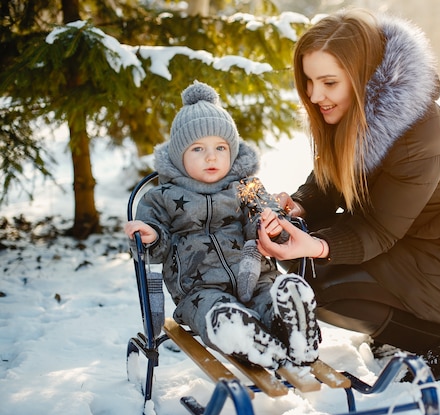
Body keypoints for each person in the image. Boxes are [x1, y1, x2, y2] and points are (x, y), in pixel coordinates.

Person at [257, 8, 440, 380]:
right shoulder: (349, 112)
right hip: (410, 237)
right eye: (308, 82)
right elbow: (329, 182)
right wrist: (301, 206)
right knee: (302, 256)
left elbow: (378, 231)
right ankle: (396, 326)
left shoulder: (421, 134)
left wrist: (315, 246)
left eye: (328, 82)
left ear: (361, 77)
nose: (314, 95)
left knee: (320, 283)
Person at [125, 81, 321, 369]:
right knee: (214, 313)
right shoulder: (161, 198)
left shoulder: (247, 188)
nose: (212, 156)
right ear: (179, 156)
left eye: (220, 146)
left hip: (256, 279)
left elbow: (270, 225)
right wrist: (151, 236)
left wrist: (272, 226)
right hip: (198, 292)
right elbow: (152, 252)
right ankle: (239, 333)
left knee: (270, 297)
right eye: (197, 149)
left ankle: (294, 327)